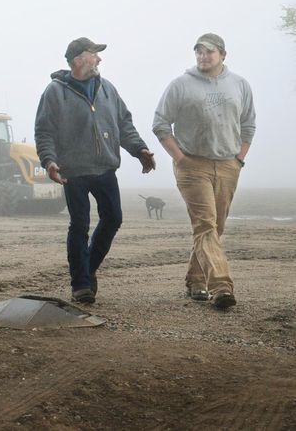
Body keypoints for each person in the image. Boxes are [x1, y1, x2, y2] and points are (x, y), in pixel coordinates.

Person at [35, 37, 156, 304]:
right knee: (79, 225)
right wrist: (49, 161)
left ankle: (88, 269)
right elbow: (44, 132)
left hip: (104, 169)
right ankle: (81, 285)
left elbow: (124, 124)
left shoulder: (108, 89)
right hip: (73, 171)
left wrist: (140, 150)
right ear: (78, 60)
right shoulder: (55, 92)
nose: (99, 59)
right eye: (94, 54)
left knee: (113, 219)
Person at [152, 33, 255, 310]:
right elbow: (161, 124)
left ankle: (195, 279)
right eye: (198, 51)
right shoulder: (181, 85)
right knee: (205, 224)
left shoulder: (240, 85)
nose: (203, 56)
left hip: (228, 164)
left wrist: (239, 159)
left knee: (215, 227)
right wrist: (181, 159)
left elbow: (248, 124)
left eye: (209, 52)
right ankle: (221, 286)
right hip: (192, 165)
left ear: (223, 54)